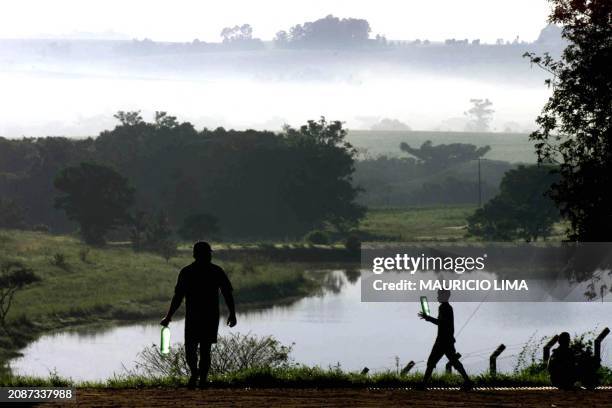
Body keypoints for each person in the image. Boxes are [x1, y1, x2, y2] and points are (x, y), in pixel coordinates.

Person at [160, 241, 237, 389]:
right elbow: (178, 296)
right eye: (207, 253)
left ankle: (201, 378)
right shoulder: (198, 271)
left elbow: (227, 294)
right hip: (202, 316)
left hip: (201, 317)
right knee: (195, 349)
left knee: (201, 349)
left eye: (208, 254)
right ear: (197, 255)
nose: (208, 256)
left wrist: (232, 314)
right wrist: (168, 316)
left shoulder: (194, 271)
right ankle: (197, 375)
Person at [418, 289, 473, 390]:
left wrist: (428, 318)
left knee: (431, 362)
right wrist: (428, 318)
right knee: (454, 361)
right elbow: (443, 323)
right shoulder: (447, 307)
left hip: (442, 341)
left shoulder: (444, 308)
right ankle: (467, 381)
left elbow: (441, 323)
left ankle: (423, 384)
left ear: (444, 297)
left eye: (439, 295)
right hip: (448, 340)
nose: (437, 297)